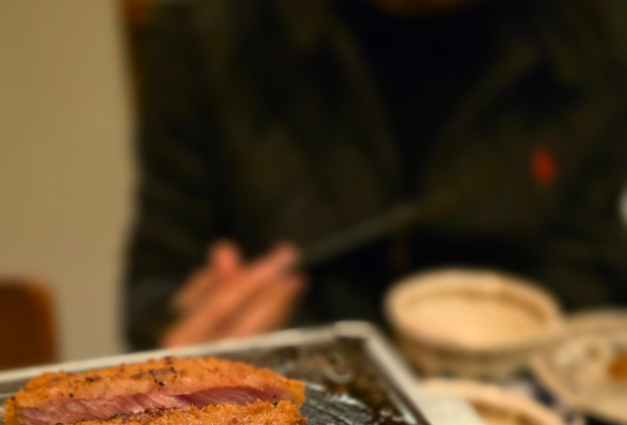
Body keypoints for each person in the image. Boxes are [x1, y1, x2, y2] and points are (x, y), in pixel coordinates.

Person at [125, 0, 627, 350]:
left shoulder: (596, 33)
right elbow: (156, 287)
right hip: (293, 391)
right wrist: (188, 330)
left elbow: (591, 267)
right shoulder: (211, 31)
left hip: (518, 405)